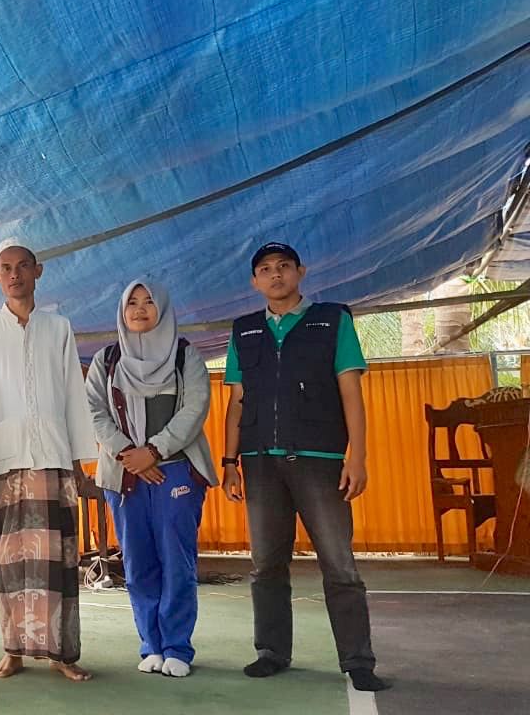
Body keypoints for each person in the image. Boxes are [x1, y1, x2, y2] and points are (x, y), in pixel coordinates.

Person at [220, 242, 389, 692]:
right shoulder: (245, 331)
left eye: (283, 267)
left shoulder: (332, 320)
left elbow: (350, 390)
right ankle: (271, 651)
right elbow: (236, 402)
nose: (275, 275)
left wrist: (358, 455)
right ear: (255, 282)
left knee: (339, 564)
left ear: (300, 272)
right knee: (266, 564)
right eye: (265, 270)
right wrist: (229, 461)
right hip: (260, 464)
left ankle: (358, 661)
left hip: (322, 461)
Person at [0, 237, 96, 682]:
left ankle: (62, 654)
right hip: (4, 461)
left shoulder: (58, 327)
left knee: (58, 562)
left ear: (38, 272)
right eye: (6, 267)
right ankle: (14, 650)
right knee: (10, 562)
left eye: (24, 266)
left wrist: (79, 462)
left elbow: (74, 396)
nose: (15, 274)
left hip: (53, 457)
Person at [85, 280, 217, 678]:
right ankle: (152, 645)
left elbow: (195, 408)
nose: (140, 309)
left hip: (175, 471)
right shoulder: (106, 360)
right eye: (132, 303)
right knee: (138, 563)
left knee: (177, 561)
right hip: (124, 475)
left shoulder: (184, 355)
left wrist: (153, 452)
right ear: (122, 313)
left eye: (148, 302)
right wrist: (130, 455)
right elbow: (93, 411)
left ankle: (178, 646)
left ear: (162, 308)